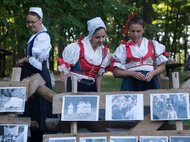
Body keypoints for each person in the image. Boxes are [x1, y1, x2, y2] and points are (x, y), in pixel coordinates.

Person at [16, 7, 55, 141]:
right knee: (31, 108)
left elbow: (39, 59)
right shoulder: (35, 36)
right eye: (28, 22)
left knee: (40, 108)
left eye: (33, 21)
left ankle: (40, 137)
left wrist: (25, 59)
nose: (30, 24)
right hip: (32, 74)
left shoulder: (44, 36)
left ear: (40, 20)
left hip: (39, 76)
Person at [112, 14, 168, 91]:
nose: (135, 34)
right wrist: (132, 74)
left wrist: (152, 74)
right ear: (128, 30)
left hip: (150, 82)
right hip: (130, 83)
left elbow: (162, 67)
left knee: (149, 103)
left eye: (138, 31)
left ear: (143, 30)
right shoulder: (123, 47)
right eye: (132, 31)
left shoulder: (153, 44)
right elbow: (116, 72)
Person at [58, 17, 110, 92]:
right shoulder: (77, 48)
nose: (101, 40)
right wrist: (64, 94)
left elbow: (99, 75)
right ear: (91, 35)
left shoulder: (104, 52)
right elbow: (64, 73)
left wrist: (99, 93)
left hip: (91, 88)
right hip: (74, 87)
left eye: (103, 36)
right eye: (97, 37)